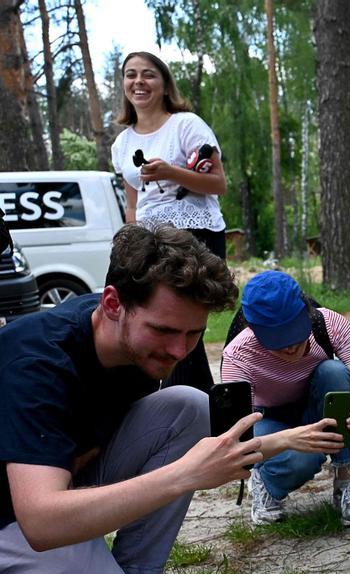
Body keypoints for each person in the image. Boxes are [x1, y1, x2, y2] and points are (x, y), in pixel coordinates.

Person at [0, 225, 258, 574]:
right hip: (17, 518)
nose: (179, 350)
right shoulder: (37, 362)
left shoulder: (137, 347)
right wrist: (185, 475)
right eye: (164, 330)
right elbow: (39, 521)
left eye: (193, 334)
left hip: (60, 481)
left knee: (188, 407)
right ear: (113, 304)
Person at [221, 271, 350, 527]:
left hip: (317, 405)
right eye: (276, 340)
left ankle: (345, 481)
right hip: (268, 419)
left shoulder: (330, 324)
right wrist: (291, 438)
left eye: (293, 332)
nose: (289, 347)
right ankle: (265, 481)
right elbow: (235, 442)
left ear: (305, 312)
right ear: (252, 329)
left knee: (334, 372)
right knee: (303, 459)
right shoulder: (237, 355)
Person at [111, 50, 229, 393]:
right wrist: (126, 247)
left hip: (196, 235)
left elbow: (218, 183)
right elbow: (133, 205)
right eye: (131, 75)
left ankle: (190, 422)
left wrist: (171, 173)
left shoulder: (186, 125)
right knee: (158, 336)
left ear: (164, 85)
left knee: (183, 335)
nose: (138, 82)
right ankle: (202, 419)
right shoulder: (123, 142)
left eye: (148, 74)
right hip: (150, 242)